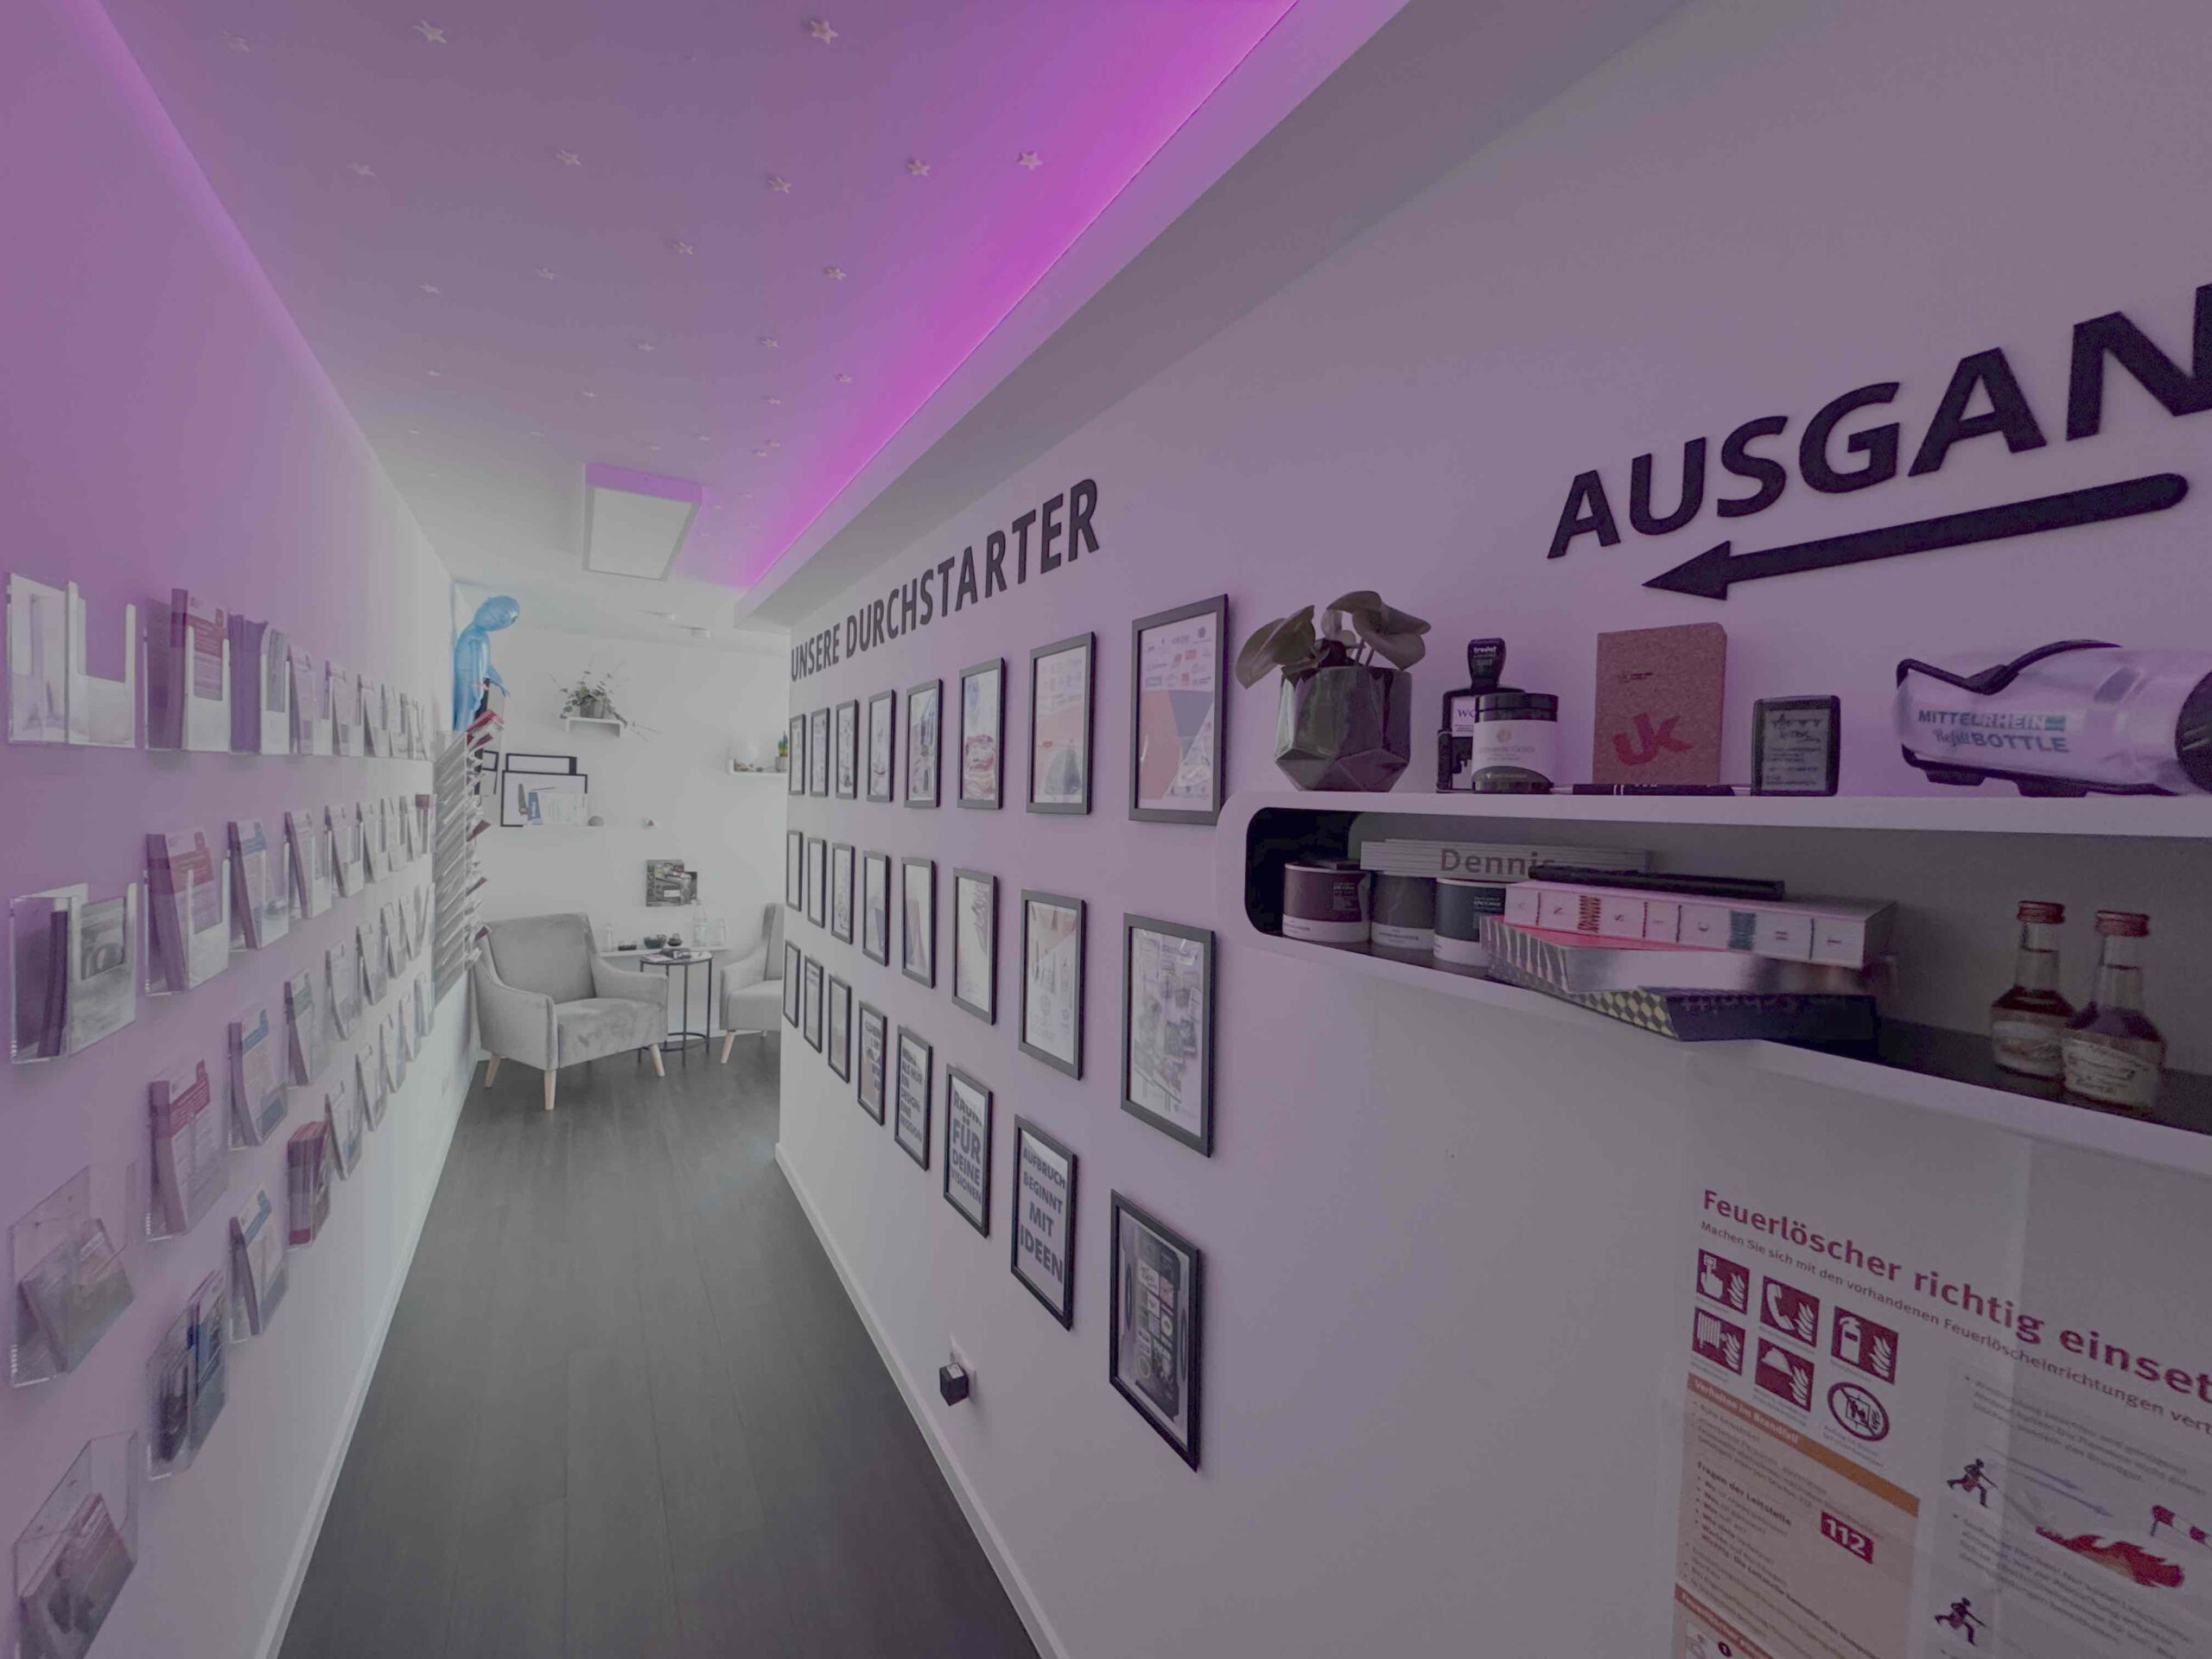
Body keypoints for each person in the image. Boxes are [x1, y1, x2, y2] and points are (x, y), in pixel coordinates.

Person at [451, 594, 518, 728]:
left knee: (466, 719)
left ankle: (459, 739)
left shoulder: (481, 637)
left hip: (470, 683)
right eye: (487, 609)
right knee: (464, 718)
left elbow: (486, 665)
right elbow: (477, 667)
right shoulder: (476, 637)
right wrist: (478, 694)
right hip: (468, 683)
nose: (488, 618)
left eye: (498, 621)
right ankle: (458, 739)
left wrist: (499, 682)